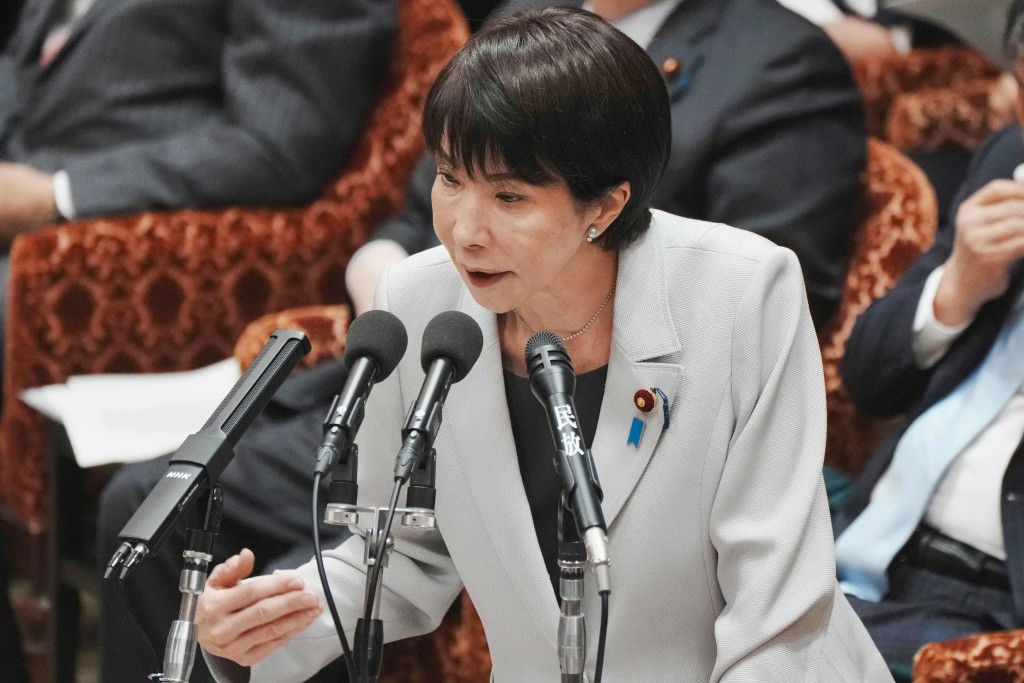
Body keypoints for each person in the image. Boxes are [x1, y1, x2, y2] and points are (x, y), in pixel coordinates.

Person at [194, 8, 892, 681]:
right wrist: (265, 625)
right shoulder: (418, 300)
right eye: (449, 179)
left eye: (510, 198)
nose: (465, 230)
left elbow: (777, 606)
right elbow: (401, 551)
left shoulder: (746, 292)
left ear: (606, 205)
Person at [346, 0, 866, 325]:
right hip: (438, 361)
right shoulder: (522, 15)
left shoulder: (780, 59)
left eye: (509, 194)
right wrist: (386, 301)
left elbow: (760, 299)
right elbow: (417, 217)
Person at [833, 3, 1024, 680]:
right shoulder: (1009, 159)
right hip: (867, 539)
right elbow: (867, 378)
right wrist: (958, 287)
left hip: (989, 606)